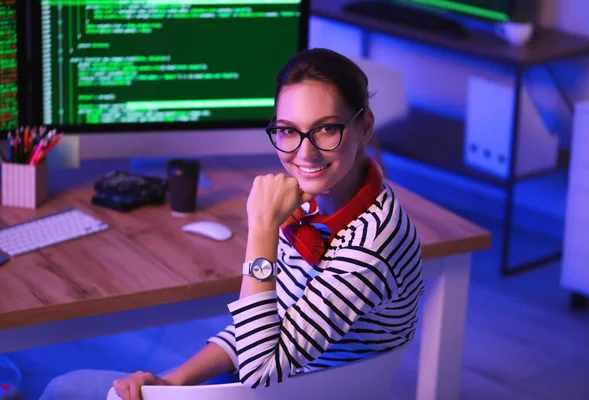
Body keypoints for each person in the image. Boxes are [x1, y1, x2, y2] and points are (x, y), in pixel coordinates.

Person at [40, 48, 424, 400]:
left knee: (65, 389)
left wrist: (262, 229)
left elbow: (259, 368)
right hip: (286, 381)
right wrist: (172, 381)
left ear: (365, 126)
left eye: (326, 128)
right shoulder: (317, 205)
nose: (304, 152)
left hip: (287, 391)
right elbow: (262, 327)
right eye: (288, 130)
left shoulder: (371, 245)